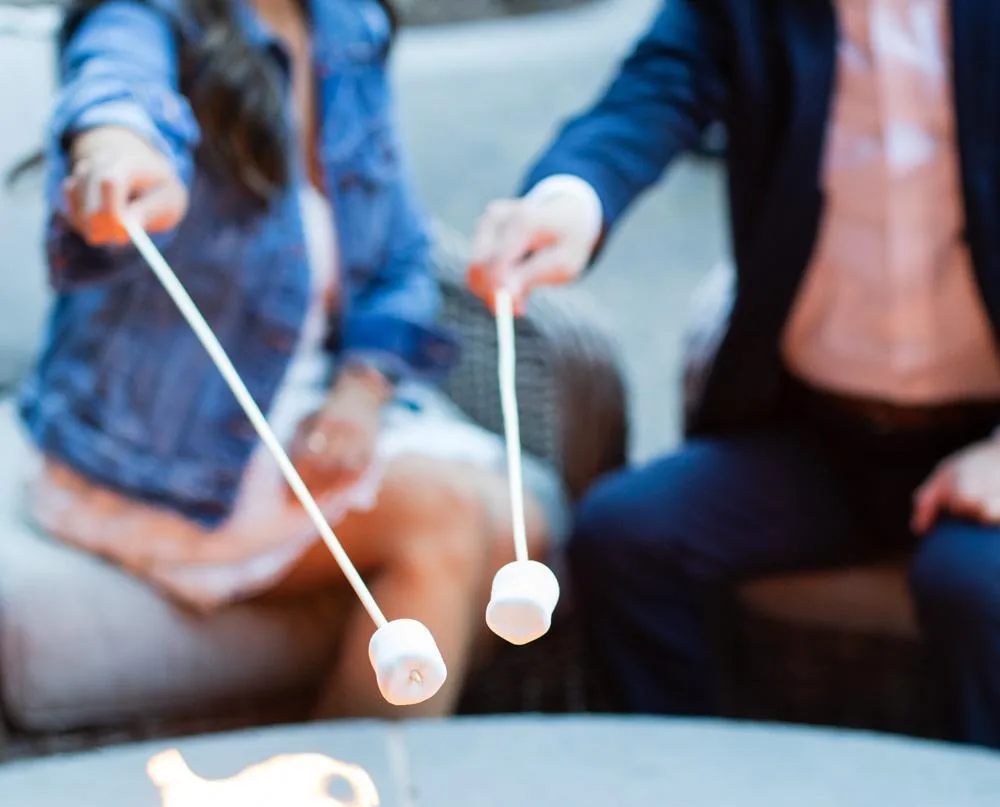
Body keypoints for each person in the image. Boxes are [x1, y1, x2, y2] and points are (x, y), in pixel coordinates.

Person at [469, 0, 1000, 748]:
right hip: (816, 435)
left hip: (982, 446)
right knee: (625, 538)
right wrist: (571, 200)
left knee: (975, 590)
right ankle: (694, 800)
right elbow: (651, 94)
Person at [18, 0, 564, 719]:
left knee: (520, 526)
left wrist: (361, 389)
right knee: (451, 517)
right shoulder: (147, 16)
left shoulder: (348, 26)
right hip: (163, 442)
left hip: (306, 390)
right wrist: (114, 147)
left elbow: (400, 251)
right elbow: (114, 86)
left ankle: (330, 762)